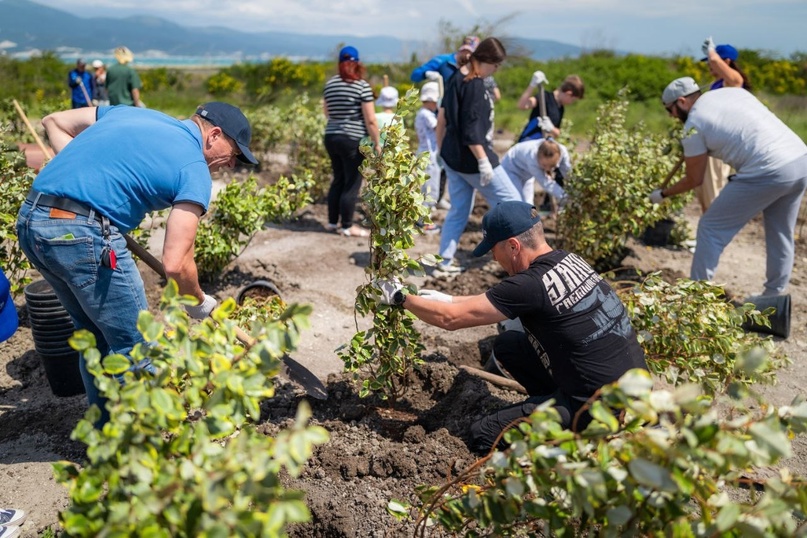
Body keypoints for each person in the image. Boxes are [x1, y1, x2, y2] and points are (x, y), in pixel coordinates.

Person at [16, 101, 259, 424]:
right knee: (138, 347)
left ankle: (105, 438)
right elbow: (176, 262)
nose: (230, 164)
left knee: (94, 337)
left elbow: (53, 120)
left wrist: (82, 180)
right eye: (234, 153)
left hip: (33, 221)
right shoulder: (193, 167)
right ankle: (138, 453)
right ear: (214, 134)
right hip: (81, 234)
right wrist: (199, 302)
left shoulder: (133, 113)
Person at [376, 201, 648, 452]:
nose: (494, 258)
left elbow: (450, 319)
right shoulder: (569, 260)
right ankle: (551, 404)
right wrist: (447, 298)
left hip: (597, 411)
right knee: (509, 346)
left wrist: (401, 298)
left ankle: (567, 432)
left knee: (484, 435)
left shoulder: (529, 284)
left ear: (514, 246)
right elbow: (483, 303)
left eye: (494, 249)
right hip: (634, 393)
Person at [649, 77, 807, 296]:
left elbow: (694, 179)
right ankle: (774, 297)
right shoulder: (732, 92)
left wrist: (662, 194)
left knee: (710, 228)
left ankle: (695, 298)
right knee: (781, 233)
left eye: (670, 110)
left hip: (767, 170)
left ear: (682, 102)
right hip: (799, 158)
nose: (672, 116)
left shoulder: (693, 126)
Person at [434, 37, 520, 275]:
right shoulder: (474, 83)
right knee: (515, 205)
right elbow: (472, 132)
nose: (497, 70)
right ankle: (523, 262)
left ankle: (443, 262)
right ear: (488, 61)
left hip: (453, 157)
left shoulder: (455, 77)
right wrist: (484, 162)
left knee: (459, 210)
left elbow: (442, 119)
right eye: (497, 65)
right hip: (473, 159)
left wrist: (442, 151)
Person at [322, 45, 380, 238]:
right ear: (357, 63)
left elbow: (327, 112)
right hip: (352, 139)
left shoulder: (330, 84)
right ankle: (347, 226)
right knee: (352, 183)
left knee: (338, 179)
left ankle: (332, 223)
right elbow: (370, 119)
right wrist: (377, 143)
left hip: (331, 136)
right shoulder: (361, 86)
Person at [697, 37, 753, 213]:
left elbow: (715, 60)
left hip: (720, 145)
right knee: (704, 192)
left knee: (714, 188)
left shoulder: (733, 82)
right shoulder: (717, 84)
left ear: (726, 61)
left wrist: (712, 52)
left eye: (711, 63)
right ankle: (707, 235)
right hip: (710, 142)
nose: (710, 66)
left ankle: (714, 237)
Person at [500, 137, 572, 205]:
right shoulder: (532, 158)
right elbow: (547, 183)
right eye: (544, 165)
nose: (547, 169)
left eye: (552, 165)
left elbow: (568, 173)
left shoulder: (563, 152)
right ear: (538, 157)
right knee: (516, 200)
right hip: (511, 168)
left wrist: (575, 190)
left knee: (528, 204)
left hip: (526, 172)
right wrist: (566, 197)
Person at [516, 73, 584, 142]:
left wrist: (551, 128)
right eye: (573, 100)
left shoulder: (560, 108)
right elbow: (522, 105)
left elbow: (557, 133)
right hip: (529, 141)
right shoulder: (544, 97)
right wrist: (532, 85)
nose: (571, 103)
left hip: (542, 146)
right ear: (568, 94)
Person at [414, 81, 442, 233]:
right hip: (428, 156)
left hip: (426, 153)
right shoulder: (426, 114)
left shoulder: (423, 113)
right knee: (430, 189)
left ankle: (424, 217)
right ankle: (423, 221)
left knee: (427, 188)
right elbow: (439, 127)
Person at [410, 36, 479, 85]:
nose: (467, 54)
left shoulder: (474, 67)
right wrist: (425, 74)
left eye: (470, 52)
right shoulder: (442, 60)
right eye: (465, 50)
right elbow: (415, 75)